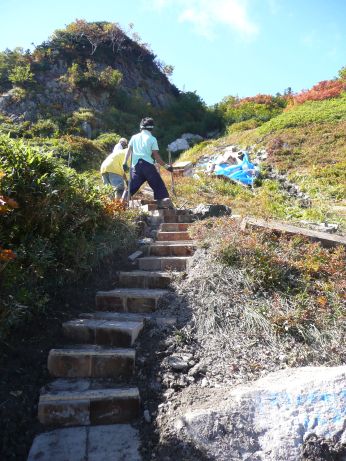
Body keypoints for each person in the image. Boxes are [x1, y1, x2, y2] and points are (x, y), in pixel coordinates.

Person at [122, 117, 173, 208]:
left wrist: (124, 162)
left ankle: (121, 204)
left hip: (136, 167)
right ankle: (163, 204)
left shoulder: (134, 137)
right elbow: (156, 157)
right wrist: (167, 166)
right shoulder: (152, 139)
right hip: (148, 166)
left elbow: (128, 151)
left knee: (130, 188)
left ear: (141, 127)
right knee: (158, 185)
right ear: (151, 128)